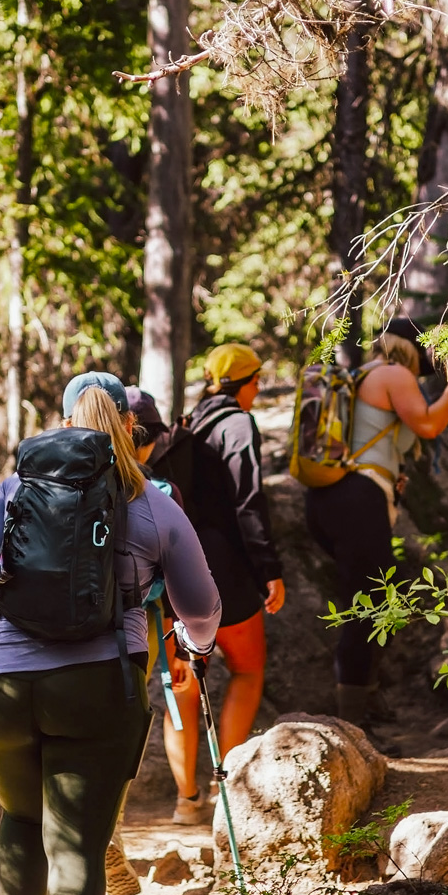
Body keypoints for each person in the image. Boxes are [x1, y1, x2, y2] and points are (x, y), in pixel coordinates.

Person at [0, 371, 221, 895]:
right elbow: (201, 604)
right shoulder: (152, 502)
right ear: (129, 428)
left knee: (20, 816)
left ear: (65, 424)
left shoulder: (15, 491)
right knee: (75, 845)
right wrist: (196, 648)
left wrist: (11, 621)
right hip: (97, 683)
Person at [304, 329, 448, 727]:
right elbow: (430, 425)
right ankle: (354, 726)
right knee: (367, 611)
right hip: (356, 501)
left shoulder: (365, 373)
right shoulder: (395, 373)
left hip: (329, 500)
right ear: (413, 350)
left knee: (374, 604)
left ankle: (365, 705)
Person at [164, 343, 285, 824]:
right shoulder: (238, 424)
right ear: (247, 382)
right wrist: (269, 569)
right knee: (247, 670)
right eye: (258, 380)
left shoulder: (188, 424)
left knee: (184, 686)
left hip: (177, 568)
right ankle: (226, 790)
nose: (258, 390)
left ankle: (186, 800)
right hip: (227, 571)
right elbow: (248, 502)